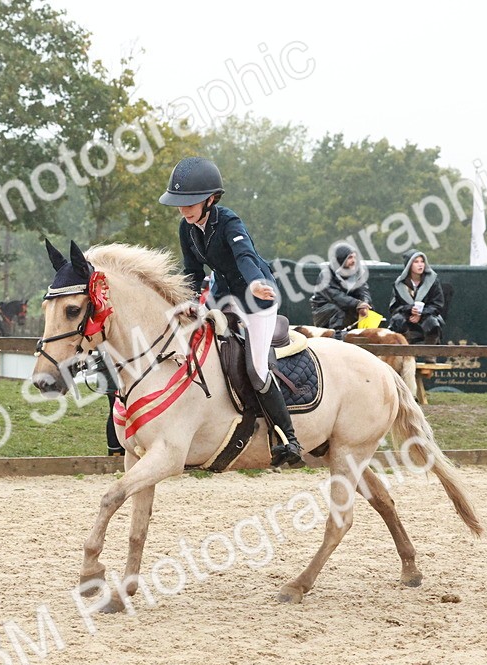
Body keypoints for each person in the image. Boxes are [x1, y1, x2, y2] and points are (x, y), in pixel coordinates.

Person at [158, 156, 302, 467]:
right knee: (197, 342)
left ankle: (288, 438)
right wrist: (190, 302)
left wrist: (254, 284)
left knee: (256, 368)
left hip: (257, 298)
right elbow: (193, 272)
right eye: (180, 203)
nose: (183, 210)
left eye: (190, 202)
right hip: (222, 296)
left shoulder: (229, 223)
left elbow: (245, 257)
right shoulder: (188, 228)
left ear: (211, 199)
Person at [388, 250, 446, 345]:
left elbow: (437, 305)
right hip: (406, 316)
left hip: (427, 315)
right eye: (416, 262)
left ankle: (430, 353)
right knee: (397, 320)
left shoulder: (433, 281)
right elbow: (394, 307)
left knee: (433, 323)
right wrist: (410, 309)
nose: (420, 265)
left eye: (422, 261)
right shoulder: (399, 284)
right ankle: (402, 349)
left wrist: (421, 313)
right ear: (409, 265)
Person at [310, 244, 372, 330]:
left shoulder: (357, 273)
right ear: (341, 259)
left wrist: (365, 304)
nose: (353, 261)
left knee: (367, 310)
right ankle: (337, 337)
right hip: (324, 310)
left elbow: (363, 291)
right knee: (338, 310)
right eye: (350, 258)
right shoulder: (326, 274)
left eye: (355, 257)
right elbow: (336, 296)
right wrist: (357, 304)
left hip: (348, 306)